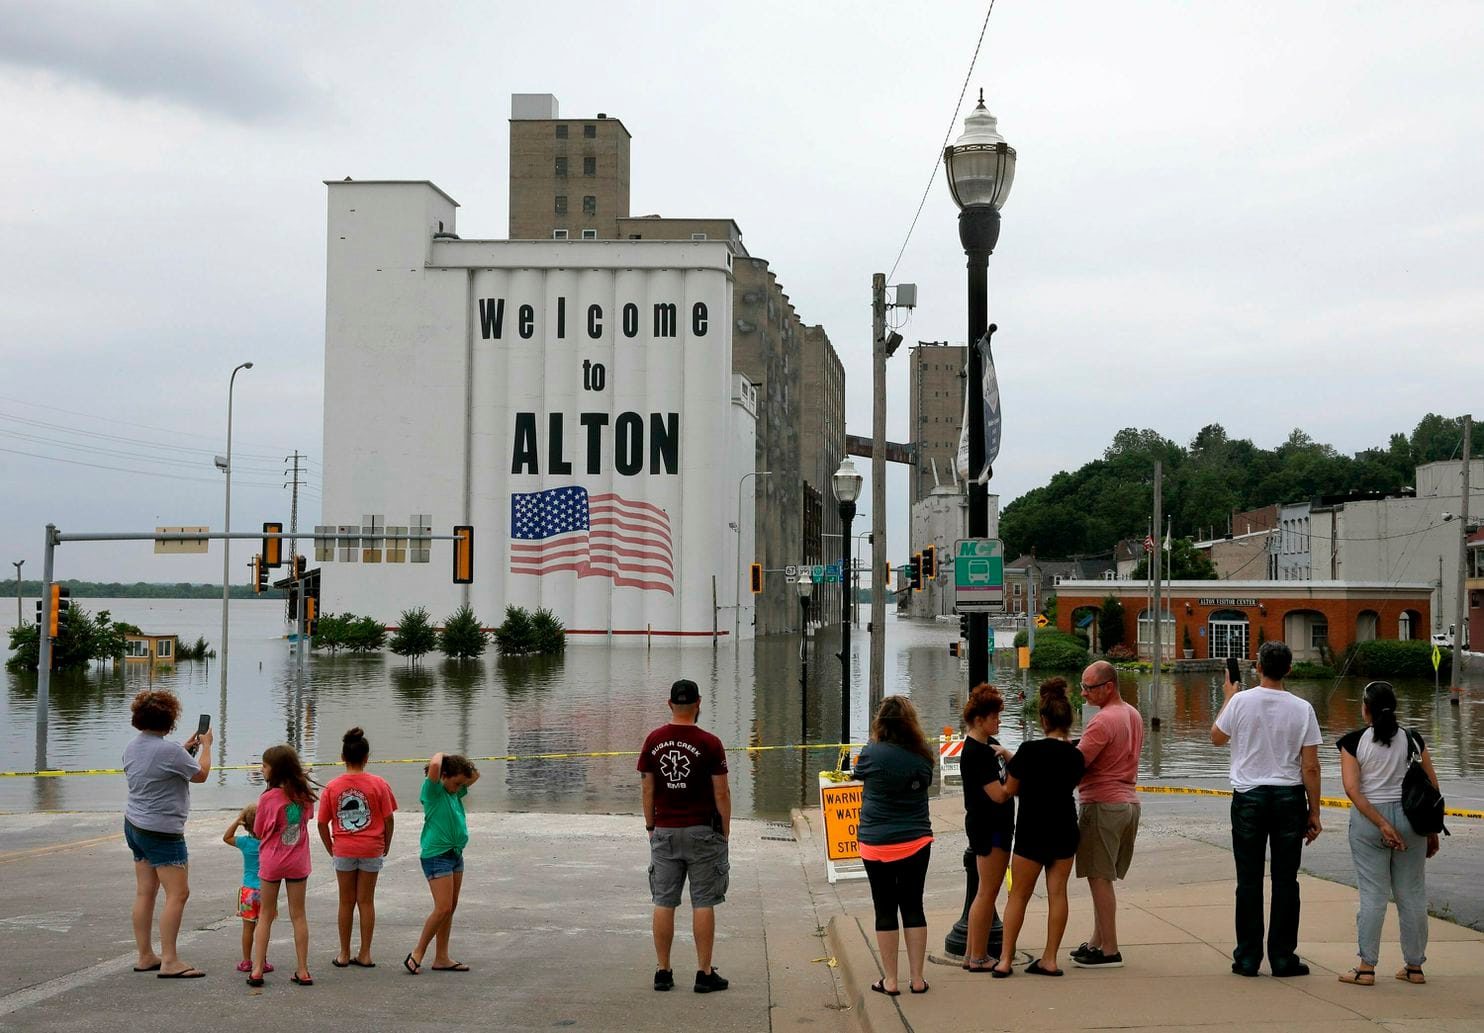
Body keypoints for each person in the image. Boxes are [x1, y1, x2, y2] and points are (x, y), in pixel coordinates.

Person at [1211, 640, 1322, 978]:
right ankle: (1283, 957)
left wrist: (1229, 696)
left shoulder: (1241, 701)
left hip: (1248, 796)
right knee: (1286, 880)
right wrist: (1314, 812)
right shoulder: (1302, 708)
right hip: (1289, 797)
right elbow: (1311, 767)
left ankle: (1247, 957)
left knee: (1248, 880)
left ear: (1257, 667)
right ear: (1289, 669)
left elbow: (1216, 737)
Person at [1335, 681, 1442, 987]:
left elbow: (1352, 790)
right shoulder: (1412, 739)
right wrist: (1430, 829)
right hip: (1412, 820)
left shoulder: (1353, 743)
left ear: (1365, 709)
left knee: (1373, 895)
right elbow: (1432, 787)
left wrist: (1382, 824)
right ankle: (1414, 966)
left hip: (1370, 822)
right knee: (1412, 894)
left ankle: (1366, 967)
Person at [638, 679, 732, 994]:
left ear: (669, 704)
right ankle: (704, 973)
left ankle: (663, 971)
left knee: (664, 900)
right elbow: (722, 792)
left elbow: (648, 787)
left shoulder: (654, 740)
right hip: (702, 830)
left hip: (664, 830)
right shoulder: (710, 743)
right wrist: (725, 832)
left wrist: (651, 825)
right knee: (703, 901)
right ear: (698, 703)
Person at [989, 679, 1086, 978]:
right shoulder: (1076, 755)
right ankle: (1050, 959)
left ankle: (1005, 959)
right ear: (1069, 721)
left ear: (1042, 720)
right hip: (1065, 829)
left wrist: (1005, 764)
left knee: (1018, 895)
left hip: (1032, 830)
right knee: (1058, 894)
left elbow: (1009, 791)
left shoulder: (1028, 750)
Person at [122, 689, 211, 979]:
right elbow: (200, 774)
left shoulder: (132, 747)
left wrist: (183, 749)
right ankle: (170, 960)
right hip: (162, 831)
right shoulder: (169, 751)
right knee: (178, 893)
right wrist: (206, 746)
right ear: (169, 719)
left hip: (135, 825)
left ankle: (146, 955)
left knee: (145, 892)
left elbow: (158, 768)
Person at [854, 695, 935, 996]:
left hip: (876, 841)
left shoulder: (872, 752)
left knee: (884, 908)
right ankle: (917, 979)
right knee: (914, 905)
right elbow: (924, 782)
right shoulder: (923, 753)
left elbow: (858, 774)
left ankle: (890, 980)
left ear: (881, 723)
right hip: (916, 839)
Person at [1071, 660, 1144, 969]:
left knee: (1099, 877)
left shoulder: (1103, 721)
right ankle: (1096, 942)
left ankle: (1110, 949)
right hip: (1128, 803)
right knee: (1103, 876)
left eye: (1089, 687)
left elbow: (1076, 763)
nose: (1083, 693)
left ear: (1108, 687)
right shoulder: (1132, 714)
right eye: (1083, 686)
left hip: (1102, 803)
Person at [318, 726, 398, 968]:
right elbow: (388, 818)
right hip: (371, 847)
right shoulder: (379, 784)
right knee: (366, 901)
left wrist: (330, 846)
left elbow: (322, 822)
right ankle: (365, 953)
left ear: (342, 758)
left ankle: (343, 953)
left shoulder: (332, 787)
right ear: (366, 758)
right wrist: (386, 843)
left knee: (345, 901)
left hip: (343, 847)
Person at [405, 752, 480, 975]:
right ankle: (417, 953)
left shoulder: (453, 792)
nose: (459, 787)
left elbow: (474, 775)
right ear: (443, 776)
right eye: (456, 782)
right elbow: (436, 764)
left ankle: (442, 957)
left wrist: (460, 766)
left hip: (455, 855)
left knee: (450, 908)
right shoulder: (434, 791)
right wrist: (443, 756)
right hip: (437, 856)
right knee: (443, 907)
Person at [250, 745, 317, 988]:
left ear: (275, 770)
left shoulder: (267, 798)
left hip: (272, 861)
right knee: (298, 915)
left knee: (265, 914)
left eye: (264, 766)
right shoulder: (304, 795)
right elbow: (307, 818)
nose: (262, 769)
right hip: (297, 861)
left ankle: (257, 969)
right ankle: (303, 969)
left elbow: (258, 831)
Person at [959, 683, 1013, 973]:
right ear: (979, 719)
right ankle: (979, 956)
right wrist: (1015, 781)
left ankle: (971, 953)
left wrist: (1005, 754)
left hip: (992, 826)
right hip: (989, 827)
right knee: (987, 892)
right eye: (994, 717)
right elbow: (999, 795)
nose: (998, 721)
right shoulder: (976, 754)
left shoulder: (987, 747)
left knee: (985, 890)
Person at [223, 804, 272, 975]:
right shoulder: (269, 841)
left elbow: (227, 837)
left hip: (248, 891)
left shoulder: (245, 843)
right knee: (263, 926)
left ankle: (246, 961)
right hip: (266, 889)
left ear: (246, 825)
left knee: (248, 928)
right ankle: (262, 961)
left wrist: (237, 822)